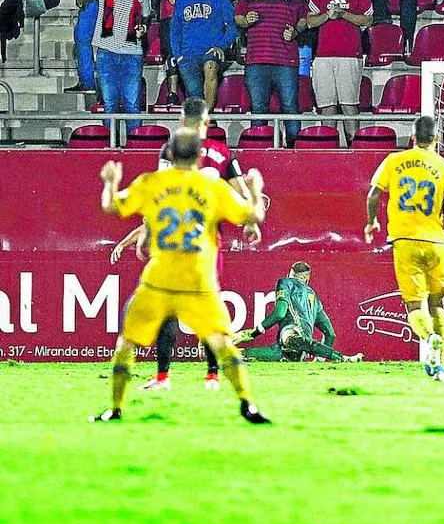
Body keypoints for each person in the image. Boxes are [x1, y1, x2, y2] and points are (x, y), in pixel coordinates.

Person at [93, 129, 271, 424]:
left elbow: (111, 206)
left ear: (171, 155)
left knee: (126, 344)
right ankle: (247, 404)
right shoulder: (212, 186)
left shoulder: (152, 183)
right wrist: (254, 189)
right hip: (198, 281)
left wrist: (110, 183)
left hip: (158, 280)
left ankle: (115, 408)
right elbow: (254, 217)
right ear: (200, 157)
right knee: (223, 343)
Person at [111, 97, 260, 391]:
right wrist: (251, 219)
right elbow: (241, 192)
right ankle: (213, 377)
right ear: (207, 122)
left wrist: (146, 231)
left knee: (168, 311)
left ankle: (164, 376)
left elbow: (162, 198)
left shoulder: (170, 150)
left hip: (172, 246)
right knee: (207, 308)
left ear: (180, 120)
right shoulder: (220, 153)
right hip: (206, 245)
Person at [365, 116, 444, 382]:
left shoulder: (394, 161)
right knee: (438, 303)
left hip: (405, 241)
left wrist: (371, 221)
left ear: (412, 138)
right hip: (437, 243)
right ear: (437, 139)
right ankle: (440, 365)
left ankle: (429, 338)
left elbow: (373, 195)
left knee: (414, 305)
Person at [234, 0, 310, 146]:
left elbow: (304, 20)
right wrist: (246, 20)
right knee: (258, 108)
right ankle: (258, 148)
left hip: (286, 59)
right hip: (256, 60)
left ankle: (295, 150)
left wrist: (295, 31)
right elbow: (238, 18)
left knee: (290, 107)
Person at [235, 262, 364, 361]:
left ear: (289, 274)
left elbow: (280, 313)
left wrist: (254, 332)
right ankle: (230, 354)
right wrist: (320, 360)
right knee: (272, 352)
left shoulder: (285, 282)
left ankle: (343, 358)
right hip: (298, 349)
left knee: (290, 339)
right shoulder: (315, 299)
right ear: (307, 279)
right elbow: (330, 334)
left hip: (290, 334)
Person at [308, 0, 373, 141]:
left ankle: (354, 152)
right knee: (327, 107)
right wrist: (328, 15)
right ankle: (328, 154)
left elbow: (367, 20)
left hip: (350, 56)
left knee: (349, 106)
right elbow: (310, 22)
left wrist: (343, 14)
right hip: (323, 57)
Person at [91, 0, 153, 135]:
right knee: (109, 105)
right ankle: (110, 149)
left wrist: (143, 29)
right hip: (106, 52)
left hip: (132, 53)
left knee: (132, 105)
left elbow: (146, 18)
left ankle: (136, 147)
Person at [170, 0, 236, 112]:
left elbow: (233, 26)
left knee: (210, 67)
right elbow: (175, 30)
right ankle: (204, 125)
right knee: (196, 97)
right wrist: (178, 55)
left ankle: (208, 117)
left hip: (210, 52)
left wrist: (221, 45)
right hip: (187, 56)